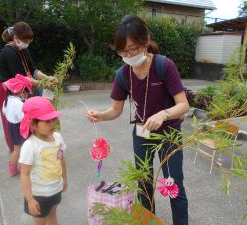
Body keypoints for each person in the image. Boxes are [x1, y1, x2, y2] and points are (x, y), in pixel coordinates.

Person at [86, 15, 189, 225]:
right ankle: (147, 221)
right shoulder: (123, 74)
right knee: (143, 184)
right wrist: (101, 115)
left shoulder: (164, 66)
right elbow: (115, 108)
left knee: (173, 184)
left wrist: (164, 114)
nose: (129, 54)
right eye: (123, 51)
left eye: (133, 48)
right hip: (142, 133)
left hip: (169, 133)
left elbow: (183, 104)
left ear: (146, 41)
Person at [0, 21, 57, 153]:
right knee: (13, 121)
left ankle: (28, 148)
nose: (27, 43)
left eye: (29, 40)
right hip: (8, 91)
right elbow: (21, 78)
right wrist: (43, 84)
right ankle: (16, 150)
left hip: (21, 90)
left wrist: (47, 78)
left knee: (27, 118)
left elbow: (33, 69)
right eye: (25, 40)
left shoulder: (23, 48)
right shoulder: (9, 51)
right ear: (16, 38)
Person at [19, 96, 68, 225]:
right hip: (38, 195)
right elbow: (24, 174)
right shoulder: (30, 146)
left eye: (53, 119)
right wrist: (30, 199)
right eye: (47, 121)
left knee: (52, 215)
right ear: (33, 124)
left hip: (55, 189)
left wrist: (64, 179)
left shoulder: (57, 137)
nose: (53, 123)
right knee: (40, 222)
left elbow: (61, 159)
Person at [2, 74, 32, 176]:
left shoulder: (7, 100)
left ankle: (12, 169)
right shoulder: (18, 103)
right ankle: (23, 167)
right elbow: (23, 118)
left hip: (12, 126)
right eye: (23, 91)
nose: (24, 93)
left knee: (16, 150)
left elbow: (4, 112)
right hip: (19, 127)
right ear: (18, 91)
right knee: (26, 148)